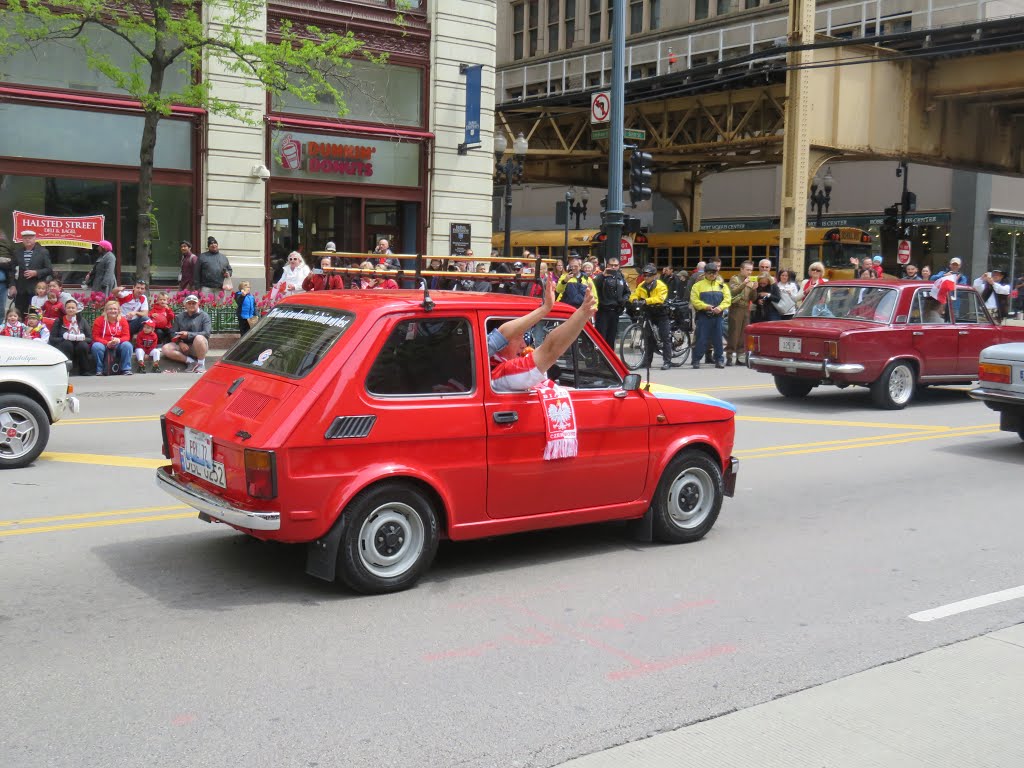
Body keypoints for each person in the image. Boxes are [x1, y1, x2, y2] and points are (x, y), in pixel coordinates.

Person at [491, 287, 597, 393]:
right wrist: (582, 314)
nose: (523, 345)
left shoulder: (503, 366)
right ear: (500, 342)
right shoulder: (499, 374)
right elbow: (550, 349)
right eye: (519, 337)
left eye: (524, 336)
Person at [488, 278, 556, 358]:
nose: (524, 345)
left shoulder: (483, 356)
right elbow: (502, 334)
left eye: (523, 337)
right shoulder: (498, 366)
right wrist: (546, 308)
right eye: (517, 338)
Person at [630, 263, 677, 371]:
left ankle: (667, 362)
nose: (646, 277)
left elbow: (660, 298)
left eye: (648, 275)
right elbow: (634, 294)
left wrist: (645, 301)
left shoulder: (661, 285)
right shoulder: (641, 285)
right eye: (644, 275)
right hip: (648, 313)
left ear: (654, 276)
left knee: (665, 337)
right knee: (648, 337)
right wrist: (634, 300)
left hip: (661, 313)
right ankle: (647, 362)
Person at [690, 261, 731, 369]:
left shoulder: (722, 286)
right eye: (709, 272)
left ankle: (719, 360)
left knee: (718, 340)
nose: (712, 275)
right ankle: (696, 360)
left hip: (718, 316)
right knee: (701, 339)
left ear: (717, 273)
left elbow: (727, 299)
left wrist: (720, 308)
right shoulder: (697, 286)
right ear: (705, 273)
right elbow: (694, 300)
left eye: (714, 272)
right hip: (704, 315)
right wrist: (705, 306)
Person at [161, 294, 212, 373]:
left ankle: (201, 364)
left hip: (198, 346)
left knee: (199, 338)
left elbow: (206, 333)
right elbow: (173, 332)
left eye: (194, 303)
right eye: (189, 303)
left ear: (198, 304)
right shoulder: (179, 317)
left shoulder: (204, 316)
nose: (191, 305)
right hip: (183, 346)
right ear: (185, 305)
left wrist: (188, 334)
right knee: (165, 348)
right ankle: (191, 362)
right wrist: (180, 342)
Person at [12, 230, 53, 316]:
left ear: (35, 239)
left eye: (30, 238)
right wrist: (12, 286)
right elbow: (12, 270)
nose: (28, 240)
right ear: (22, 240)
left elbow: (49, 269)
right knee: (19, 313)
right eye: (25, 238)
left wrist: (36, 272)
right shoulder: (17, 252)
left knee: (35, 314)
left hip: (36, 289)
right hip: (21, 289)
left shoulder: (43, 252)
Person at [593, 256, 630, 348]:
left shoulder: (621, 277)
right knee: (601, 337)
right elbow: (594, 286)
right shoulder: (601, 276)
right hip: (603, 311)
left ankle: (610, 359)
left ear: (619, 266)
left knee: (611, 337)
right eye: (611, 265)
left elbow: (627, 292)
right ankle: (600, 359)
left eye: (616, 265)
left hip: (615, 311)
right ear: (607, 265)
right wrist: (602, 276)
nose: (613, 267)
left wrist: (623, 300)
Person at [50, 298, 92, 375]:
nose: (71, 310)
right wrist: (64, 338)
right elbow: (52, 338)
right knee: (67, 344)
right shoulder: (59, 321)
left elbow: (89, 338)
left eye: (73, 308)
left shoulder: (82, 320)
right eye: (68, 308)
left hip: (79, 343)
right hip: (64, 344)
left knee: (83, 345)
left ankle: (85, 370)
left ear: (76, 309)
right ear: (65, 309)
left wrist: (81, 338)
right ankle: (67, 370)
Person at [725, 260, 756, 366]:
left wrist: (754, 289)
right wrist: (744, 284)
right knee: (734, 333)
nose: (749, 272)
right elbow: (733, 292)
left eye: (751, 270)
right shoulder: (735, 278)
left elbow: (753, 298)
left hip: (745, 308)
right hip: (736, 308)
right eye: (747, 270)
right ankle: (729, 356)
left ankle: (740, 357)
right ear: (741, 269)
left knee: (743, 334)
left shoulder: (751, 281)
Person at [91, 299, 133, 376]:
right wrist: (107, 343)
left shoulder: (123, 320)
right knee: (96, 346)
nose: (112, 311)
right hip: (104, 343)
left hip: (118, 343)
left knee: (127, 345)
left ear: (118, 310)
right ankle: (99, 369)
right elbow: (95, 336)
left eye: (115, 309)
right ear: (106, 310)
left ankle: (126, 369)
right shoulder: (99, 320)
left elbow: (127, 336)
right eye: (110, 309)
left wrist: (118, 340)